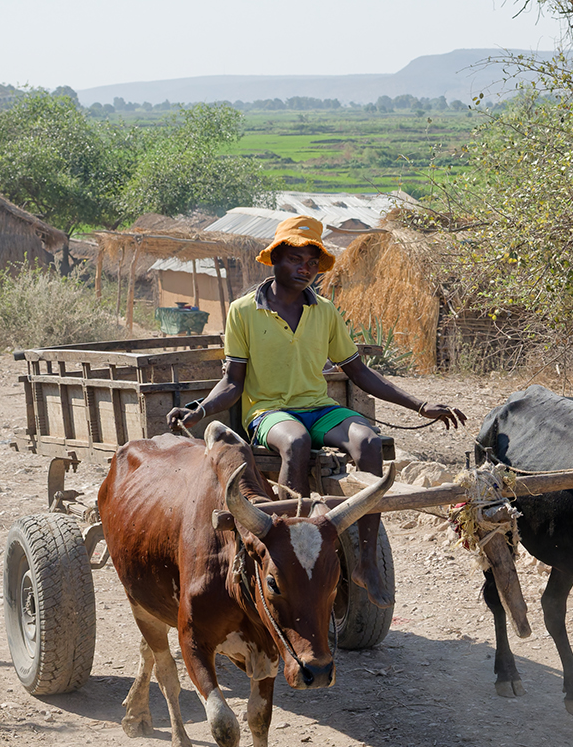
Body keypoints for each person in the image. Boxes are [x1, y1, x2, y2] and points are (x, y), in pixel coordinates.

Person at [167, 214, 465, 523]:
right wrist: (199, 411)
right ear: (275, 258)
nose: (304, 269)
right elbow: (233, 382)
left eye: (311, 263)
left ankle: (365, 550)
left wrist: (421, 405)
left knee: (370, 442)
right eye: (295, 259)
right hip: (269, 412)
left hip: (319, 410)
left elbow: (359, 371)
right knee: (296, 441)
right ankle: (292, 533)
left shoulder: (325, 311)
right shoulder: (243, 311)